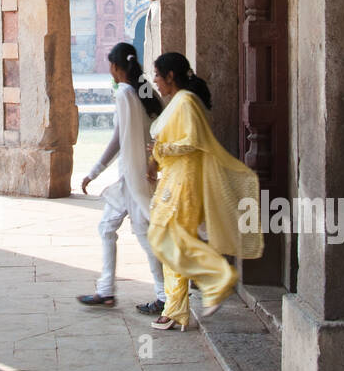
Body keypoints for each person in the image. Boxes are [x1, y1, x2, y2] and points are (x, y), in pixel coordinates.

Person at [145, 52, 262, 330]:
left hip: (185, 183)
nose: (156, 81)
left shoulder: (185, 102)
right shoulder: (178, 102)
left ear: (171, 76)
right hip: (174, 179)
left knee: (170, 240)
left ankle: (212, 283)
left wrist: (161, 150)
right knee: (167, 239)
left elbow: (193, 141)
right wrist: (156, 159)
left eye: (158, 75)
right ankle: (181, 305)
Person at [76, 41, 164, 310]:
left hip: (132, 177)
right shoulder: (144, 89)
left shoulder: (125, 93)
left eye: (110, 66)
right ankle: (107, 290)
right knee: (109, 227)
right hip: (138, 173)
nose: (110, 72)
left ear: (115, 66)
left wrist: (94, 171)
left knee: (142, 233)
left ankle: (164, 296)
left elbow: (119, 138)